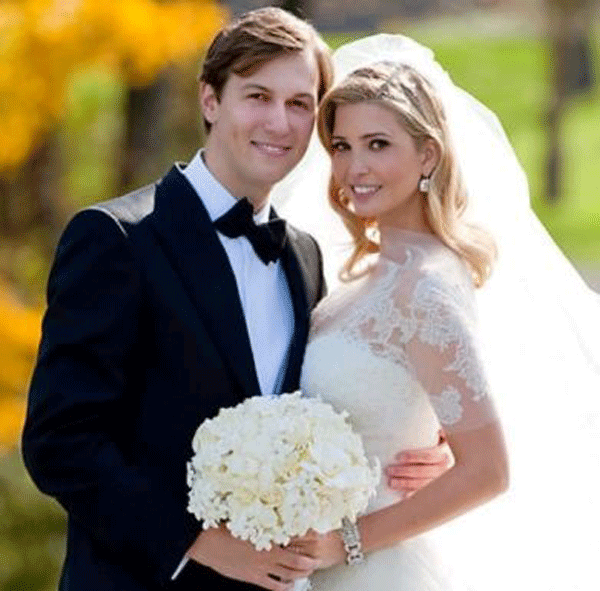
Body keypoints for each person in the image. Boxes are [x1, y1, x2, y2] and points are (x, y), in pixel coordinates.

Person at [21, 10, 450, 591]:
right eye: (258, 96)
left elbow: (327, 398)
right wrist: (197, 542)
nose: (279, 122)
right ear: (210, 100)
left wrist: (417, 445)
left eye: (299, 104)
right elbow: (60, 441)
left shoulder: (304, 257)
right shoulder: (117, 239)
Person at [274, 34, 600, 591]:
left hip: (374, 569)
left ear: (428, 154)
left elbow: (489, 470)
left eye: (378, 144)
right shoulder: (369, 275)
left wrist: (346, 541)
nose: (354, 167)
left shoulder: (425, 288)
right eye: (343, 146)